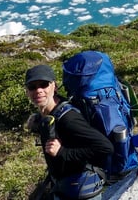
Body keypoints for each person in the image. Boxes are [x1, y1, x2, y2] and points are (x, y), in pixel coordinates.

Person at [25, 64, 113, 200]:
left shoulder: (69, 118)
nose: (38, 90)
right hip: (65, 188)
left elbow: (105, 147)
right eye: (32, 87)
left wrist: (62, 152)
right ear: (27, 91)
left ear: (54, 86)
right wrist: (38, 122)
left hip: (83, 191)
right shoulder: (47, 115)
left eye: (43, 85)